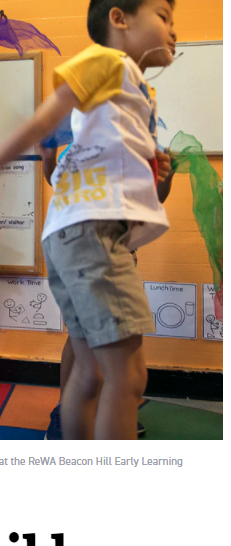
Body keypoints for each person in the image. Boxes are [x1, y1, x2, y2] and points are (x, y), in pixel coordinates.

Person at [0, 0, 177, 440]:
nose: (173, 31)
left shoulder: (135, 96)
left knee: (92, 373)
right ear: (120, 20)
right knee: (128, 376)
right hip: (90, 234)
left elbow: (129, 181)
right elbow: (41, 122)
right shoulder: (108, 62)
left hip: (79, 233)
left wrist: (153, 169)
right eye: (164, 16)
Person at [40, 132, 174, 440]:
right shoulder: (89, 134)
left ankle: (101, 414)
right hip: (92, 250)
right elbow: (58, 181)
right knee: (103, 361)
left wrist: (164, 171)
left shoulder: (135, 136)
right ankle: (67, 418)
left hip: (111, 247)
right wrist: (48, 159)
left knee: (97, 358)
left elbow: (157, 195)